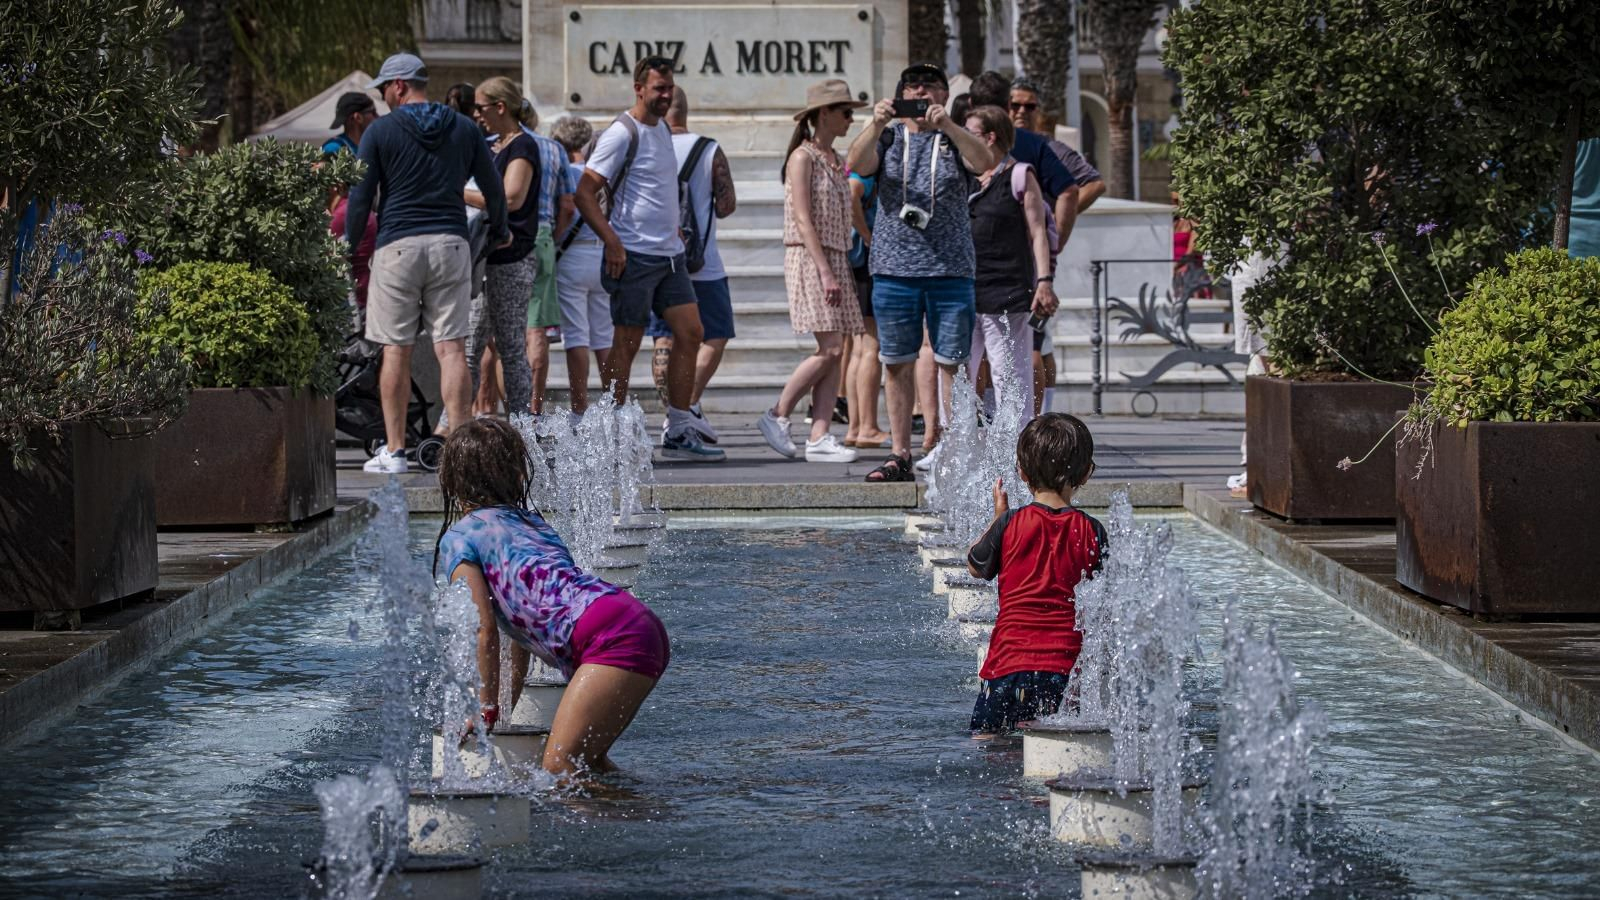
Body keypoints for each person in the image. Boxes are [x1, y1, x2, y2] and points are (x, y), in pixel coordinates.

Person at [434, 418, 669, 775]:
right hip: (632, 620)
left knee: (559, 768)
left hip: (610, 638)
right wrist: (504, 713)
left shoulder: (461, 538)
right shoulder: (534, 524)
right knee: (588, 765)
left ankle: (664, 817)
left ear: (452, 479)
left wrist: (484, 707)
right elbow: (519, 640)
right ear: (515, 472)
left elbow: (483, 628)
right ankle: (650, 810)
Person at [347, 53, 507, 474]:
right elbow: (494, 188)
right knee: (451, 348)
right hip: (451, 243)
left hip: (397, 244)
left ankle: (396, 452)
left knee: (395, 349)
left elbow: (361, 198)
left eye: (384, 89)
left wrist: (349, 248)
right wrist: (500, 230)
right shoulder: (465, 128)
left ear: (399, 85)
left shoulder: (380, 131)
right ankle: (460, 451)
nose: (382, 98)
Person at [846, 62, 995, 483]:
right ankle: (899, 454)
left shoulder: (953, 138)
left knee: (953, 363)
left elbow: (984, 162)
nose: (921, 92)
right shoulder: (890, 136)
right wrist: (874, 124)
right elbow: (854, 164)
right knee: (896, 362)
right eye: (912, 86)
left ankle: (951, 450)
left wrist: (948, 124)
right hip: (894, 270)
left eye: (930, 86)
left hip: (951, 271)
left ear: (944, 95)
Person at [574, 57, 724, 461]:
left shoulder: (659, 130)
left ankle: (678, 427)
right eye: (658, 88)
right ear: (638, 88)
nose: (665, 95)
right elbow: (584, 193)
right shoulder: (621, 133)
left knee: (691, 332)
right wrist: (612, 242)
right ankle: (611, 431)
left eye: (669, 87)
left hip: (670, 256)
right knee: (626, 342)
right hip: (632, 255)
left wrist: (672, 226)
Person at [965, 413, 1106, 736]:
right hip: (1065, 669)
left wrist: (996, 518)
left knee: (987, 745)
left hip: (1007, 666)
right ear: (1085, 474)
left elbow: (975, 565)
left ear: (1022, 473)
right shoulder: (1092, 531)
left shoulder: (1011, 523)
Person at [756, 79, 866, 463]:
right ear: (824, 114)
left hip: (834, 256)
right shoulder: (802, 157)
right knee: (831, 347)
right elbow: (802, 219)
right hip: (811, 257)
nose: (851, 119)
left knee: (836, 351)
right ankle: (778, 413)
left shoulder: (834, 158)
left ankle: (820, 434)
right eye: (845, 112)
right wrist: (825, 271)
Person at [647, 87, 738, 442]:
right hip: (704, 262)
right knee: (715, 335)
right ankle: (686, 408)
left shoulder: (650, 147)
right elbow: (726, 205)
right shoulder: (709, 149)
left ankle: (675, 412)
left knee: (663, 339)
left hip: (661, 258)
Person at [964, 106, 1058, 425]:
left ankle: (1016, 450)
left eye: (970, 134)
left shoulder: (1020, 175)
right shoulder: (970, 180)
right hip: (965, 291)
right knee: (959, 372)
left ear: (990, 138)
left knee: (1009, 376)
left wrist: (1044, 280)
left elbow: (1038, 233)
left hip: (1006, 291)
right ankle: (956, 443)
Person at [457, 76, 539, 424]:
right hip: (486, 258)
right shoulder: (496, 144)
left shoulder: (522, 147)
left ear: (500, 107)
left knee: (509, 348)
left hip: (511, 259)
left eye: (480, 107)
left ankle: (523, 426)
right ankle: (456, 424)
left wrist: (456, 192)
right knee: (470, 349)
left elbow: (510, 198)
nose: (476, 114)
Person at [516, 95, 577, 417]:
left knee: (496, 331)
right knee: (536, 326)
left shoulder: (496, 145)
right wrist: (553, 237)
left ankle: (492, 406)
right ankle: (534, 408)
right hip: (541, 235)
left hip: (505, 236)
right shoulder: (553, 149)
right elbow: (568, 204)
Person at [552, 116, 612, 415]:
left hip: (572, 256)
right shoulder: (598, 175)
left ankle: (580, 407)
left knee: (576, 334)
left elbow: (565, 211)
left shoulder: (565, 174)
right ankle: (615, 402)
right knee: (603, 335)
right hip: (601, 253)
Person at [842, 170, 889, 448]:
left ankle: (856, 426)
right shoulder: (868, 169)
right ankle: (867, 426)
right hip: (868, 261)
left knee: (860, 347)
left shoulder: (860, 166)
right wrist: (868, 235)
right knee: (871, 346)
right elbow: (851, 194)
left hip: (856, 262)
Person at [323, 91, 377, 157]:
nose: (378, 117)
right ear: (357, 117)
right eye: (373, 112)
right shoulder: (333, 148)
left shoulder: (371, 146)